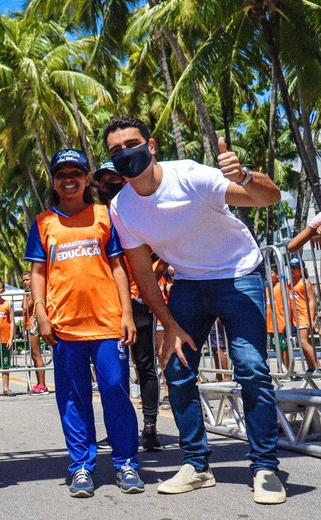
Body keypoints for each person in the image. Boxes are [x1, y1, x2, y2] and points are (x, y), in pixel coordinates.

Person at [103, 115, 285, 504]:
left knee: (251, 367)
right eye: (115, 150)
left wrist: (247, 175)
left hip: (238, 274)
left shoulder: (189, 176)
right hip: (188, 282)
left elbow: (272, 197)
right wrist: (168, 325)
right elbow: (142, 273)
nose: (125, 154)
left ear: (150, 147)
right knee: (177, 366)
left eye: (131, 144)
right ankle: (197, 465)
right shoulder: (122, 206)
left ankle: (265, 467)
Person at [26, 149, 143, 498]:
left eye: (75, 173)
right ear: (54, 181)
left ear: (87, 179)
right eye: (62, 174)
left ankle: (126, 464)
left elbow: (119, 267)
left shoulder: (104, 216)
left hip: (108, 324)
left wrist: (126, 313)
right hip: (64, 327)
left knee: (115, 392)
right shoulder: (44, 222)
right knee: (73, 399)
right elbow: (37, 272)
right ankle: (80, 467)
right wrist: (41, 313)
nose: (69, 180)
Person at [95, 161, 165, 451]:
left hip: (138, 303)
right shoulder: (96, 217)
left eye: (115, 179)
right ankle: (119, 428)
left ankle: (150, 428)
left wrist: (146, 286)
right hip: (108, 305)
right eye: (104, 180)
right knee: (115, 370)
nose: (109, 184)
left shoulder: (142, 212)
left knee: (145, 365)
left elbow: (167, 251)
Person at [287, 257, 318, 376]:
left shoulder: (305, 282)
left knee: (303, 341)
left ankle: (318, 365)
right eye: (290, 267)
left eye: (294, 267)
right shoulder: (290, 283)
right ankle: (311, 366)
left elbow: (311, 301)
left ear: (301, 269)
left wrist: (311, 318)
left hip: (303, 315)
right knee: (302, 343)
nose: (292, 270)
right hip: (296, 317)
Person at [20, 272, 49, 395]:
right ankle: (39, 383)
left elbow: (26, 307)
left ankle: (42, 385)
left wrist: (27, 297)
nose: (26, 282)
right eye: (23, 281)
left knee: (37, 355)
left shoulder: (34, 292)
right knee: (34, 355)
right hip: (28, 324)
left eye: (28, 279)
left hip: (34, 323)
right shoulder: (27, 293)